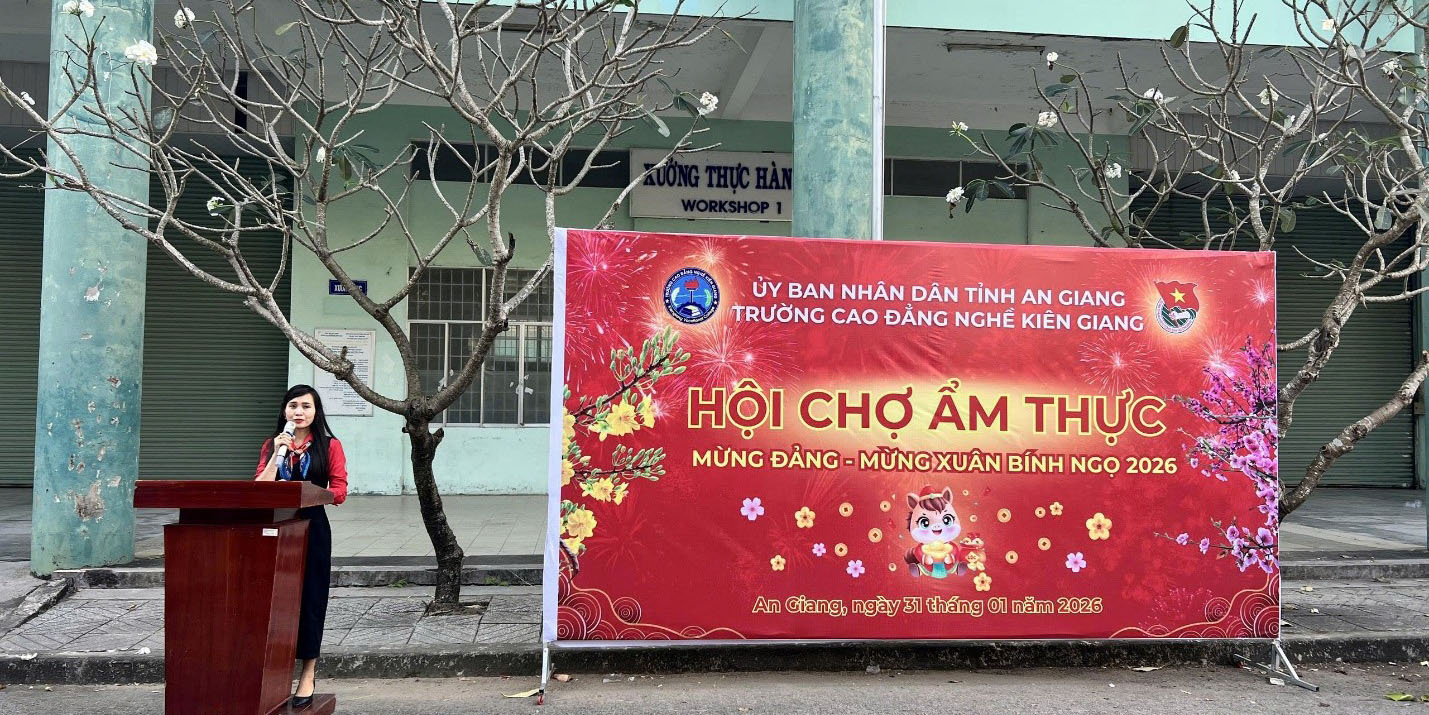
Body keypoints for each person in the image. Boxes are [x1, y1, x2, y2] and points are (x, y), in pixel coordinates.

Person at [254, 385, 348, 710]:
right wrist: (276, 455)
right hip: (277, 528)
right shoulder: (272, 444)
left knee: (310, 600)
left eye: (306, 406)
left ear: (316, 412)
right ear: (284, 411)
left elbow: (339, 490)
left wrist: (308, 493)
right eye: (293, 405)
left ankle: (308, 673)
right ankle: (272, 673)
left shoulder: (330, 445)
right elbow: (259, 488)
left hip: (313, 528)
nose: (299, 412)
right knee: (274, 600)